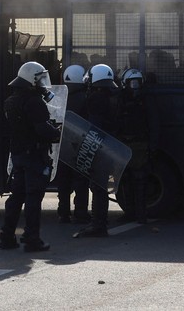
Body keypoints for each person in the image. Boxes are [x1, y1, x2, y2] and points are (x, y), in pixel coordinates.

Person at [0, 61, 61, 252]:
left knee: (16, 197)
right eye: (40, 79)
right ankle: (32, 238)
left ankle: (7, 237)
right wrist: (57, 133)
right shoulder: (34, 102)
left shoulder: (11, 101)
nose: (43, 83)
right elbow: (41, 128)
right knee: (33, 197)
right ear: (31, 80)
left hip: (18, 154)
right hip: (34, 155)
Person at [74, 63, 120, 238]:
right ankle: (100, 221)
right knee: (101, 186)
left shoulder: (96, 99)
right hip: (112, 146)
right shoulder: (115, 96)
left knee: (98, 187)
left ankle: (98, 224)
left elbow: (94, 126)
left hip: (99, 148)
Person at [55, 64, 91, 224]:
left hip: (63, 144)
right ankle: (81, 212)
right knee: (80, 181)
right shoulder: (85, 97)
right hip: (80, 144)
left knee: (63, 180)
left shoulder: (60, 97)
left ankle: (63, 212)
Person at [115, 68, 151, 224]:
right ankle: (135, 214)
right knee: (128, 181)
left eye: (137, 83)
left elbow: (152, 122)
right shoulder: (123, 100)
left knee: (136, 180)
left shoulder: (144, 101)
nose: (135, 86)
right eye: (133, 83)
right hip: (129, 144)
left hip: (135, 145)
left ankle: (137, 214)